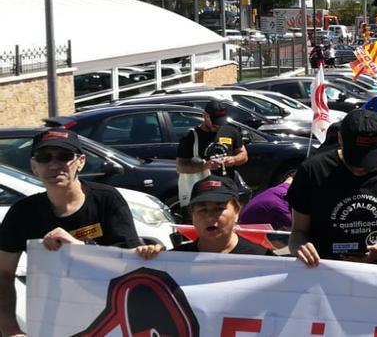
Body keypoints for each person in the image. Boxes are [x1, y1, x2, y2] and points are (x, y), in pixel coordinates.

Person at [1, 129, 141, 337]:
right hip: (52, 320)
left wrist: (80, 249)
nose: (54, 164)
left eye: (64, 156)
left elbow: (132, 263)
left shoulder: (106, 200)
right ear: (34, 166)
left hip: (109, 317)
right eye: (44, 157)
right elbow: (2, 274)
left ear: (81, 162)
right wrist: (10, 330)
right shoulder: (23, 213)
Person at [287, 109, 377, 267]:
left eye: (369, 159)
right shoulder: (313, 171)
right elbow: (298, 232)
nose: (361, 168)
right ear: (340, 139)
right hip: (324, 273)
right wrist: (300, 248)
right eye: (355, 157)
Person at [137, 175, 273, 257]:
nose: (210, 217)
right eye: (202, 210)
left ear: (237, 211)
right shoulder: (176, 259)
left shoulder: (262, 258)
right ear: (192, 215)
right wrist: (149, 258)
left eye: (219, 209)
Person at [175, 100, 249, 208]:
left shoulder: (231, 131)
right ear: (205, 116)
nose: (218, 126)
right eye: (214, 122)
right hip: (203, 192)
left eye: (221, 122)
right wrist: (205, 166)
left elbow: (244, 155)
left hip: (227, 188)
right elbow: (180, 167)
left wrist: (233, 160)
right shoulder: (190, 137)